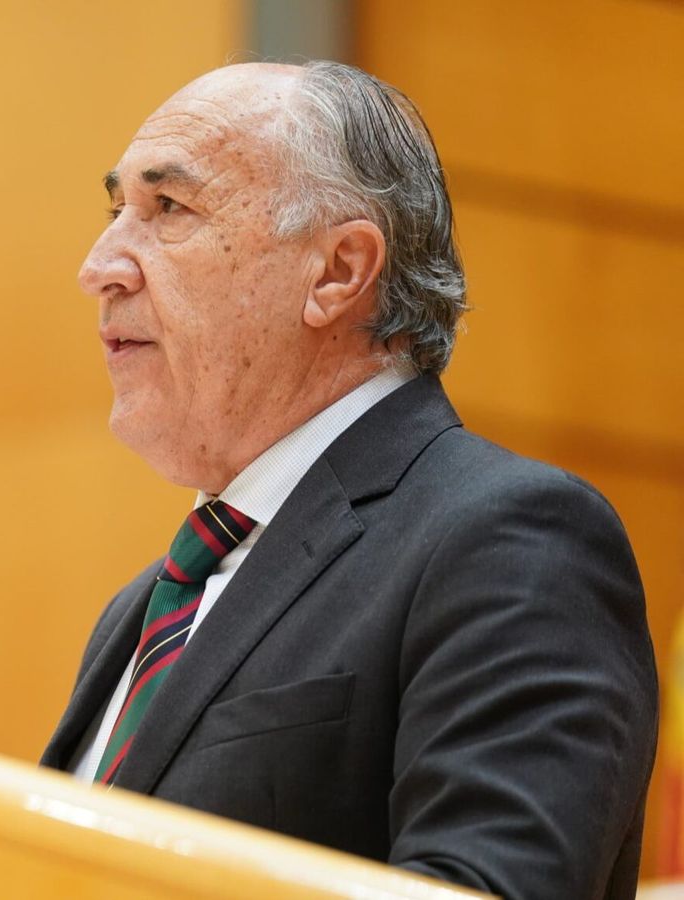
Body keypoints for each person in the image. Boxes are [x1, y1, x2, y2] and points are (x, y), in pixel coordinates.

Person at [40, 61, 657, 900]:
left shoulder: (507, 539)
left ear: (337, 272)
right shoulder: (142, 609)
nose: (100, 265)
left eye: (168, 208)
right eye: (117, 210)